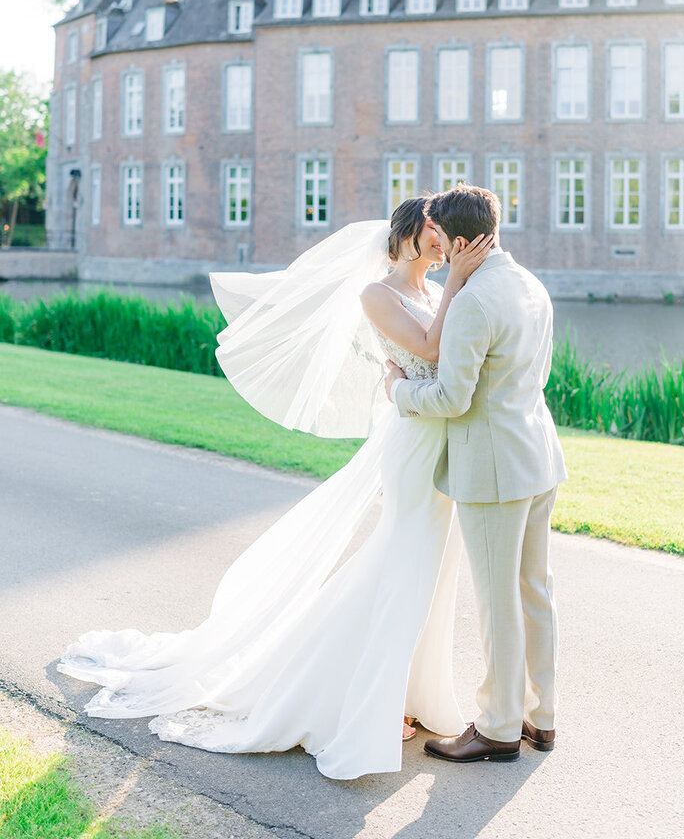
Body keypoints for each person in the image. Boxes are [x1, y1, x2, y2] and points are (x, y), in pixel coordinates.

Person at [58, 197, 491, 780]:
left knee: (431, 572)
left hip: (444, 442)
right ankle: (364, 700)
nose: (447, 246)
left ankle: (411, 692)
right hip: (413, 448)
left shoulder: (437, 293)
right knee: (403, 566)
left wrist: (456, 292)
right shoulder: (377, 295)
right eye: (438, 234)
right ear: (413, 232)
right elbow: (432, 349)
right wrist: (461, 283)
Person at [386, 184, 567, 764]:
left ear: (462, 241)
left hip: (494, 468)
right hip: (538, 455)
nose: (432, 249)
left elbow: (451, 398)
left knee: (498, 601)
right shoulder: (529, 284)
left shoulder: (473, 301)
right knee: (534, 591)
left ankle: (495, 728)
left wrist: (398, 389)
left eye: (438, 238)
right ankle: (543, 718)